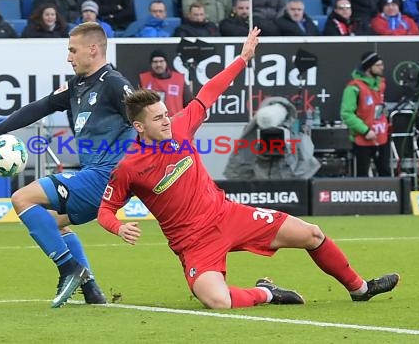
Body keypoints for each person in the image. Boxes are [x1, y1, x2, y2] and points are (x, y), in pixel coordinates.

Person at [97, 28, 400, 310]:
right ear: (139, 126)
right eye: (157, 118)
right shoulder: (129, 167)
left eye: (166, 113)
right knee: (217, 301)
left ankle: (360, 288)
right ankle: (268, 292)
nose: (166, 120)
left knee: (312, 234)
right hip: (193, 242)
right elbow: (105, 211)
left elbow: (210, 91)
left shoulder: (180, 127)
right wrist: (119, 227)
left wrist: (242, 59)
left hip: (228, 215)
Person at [0, 22, 136, 308]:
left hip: (107, 176)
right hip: (94, 175)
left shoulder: (115, 84)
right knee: (52, 224)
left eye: (73, 50)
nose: (68, 57)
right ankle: (91, 288)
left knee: (22, 198)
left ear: (93, 49)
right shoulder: (77, 86)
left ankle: (69, 268)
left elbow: (147, 121)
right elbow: (38, 107)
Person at [340, 51, 391, 177]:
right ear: (369, 67)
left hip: (381, 137)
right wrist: (365, 131)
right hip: (363, 138)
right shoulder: (353, 88)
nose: (382, 67)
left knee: (385, 173)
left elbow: (378, 108)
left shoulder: (380, 85)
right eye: (378, 65)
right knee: (362, 176)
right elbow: (346, 114)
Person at [138, 50, 193, 117]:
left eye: (161, 61)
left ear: (166, 62)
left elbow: (189, 103)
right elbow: (138, 104)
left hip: (175, 122)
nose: (158, 65)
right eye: (155, 62)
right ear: (151, 64)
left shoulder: (179, 79)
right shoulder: (144, 79)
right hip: (152, 123)